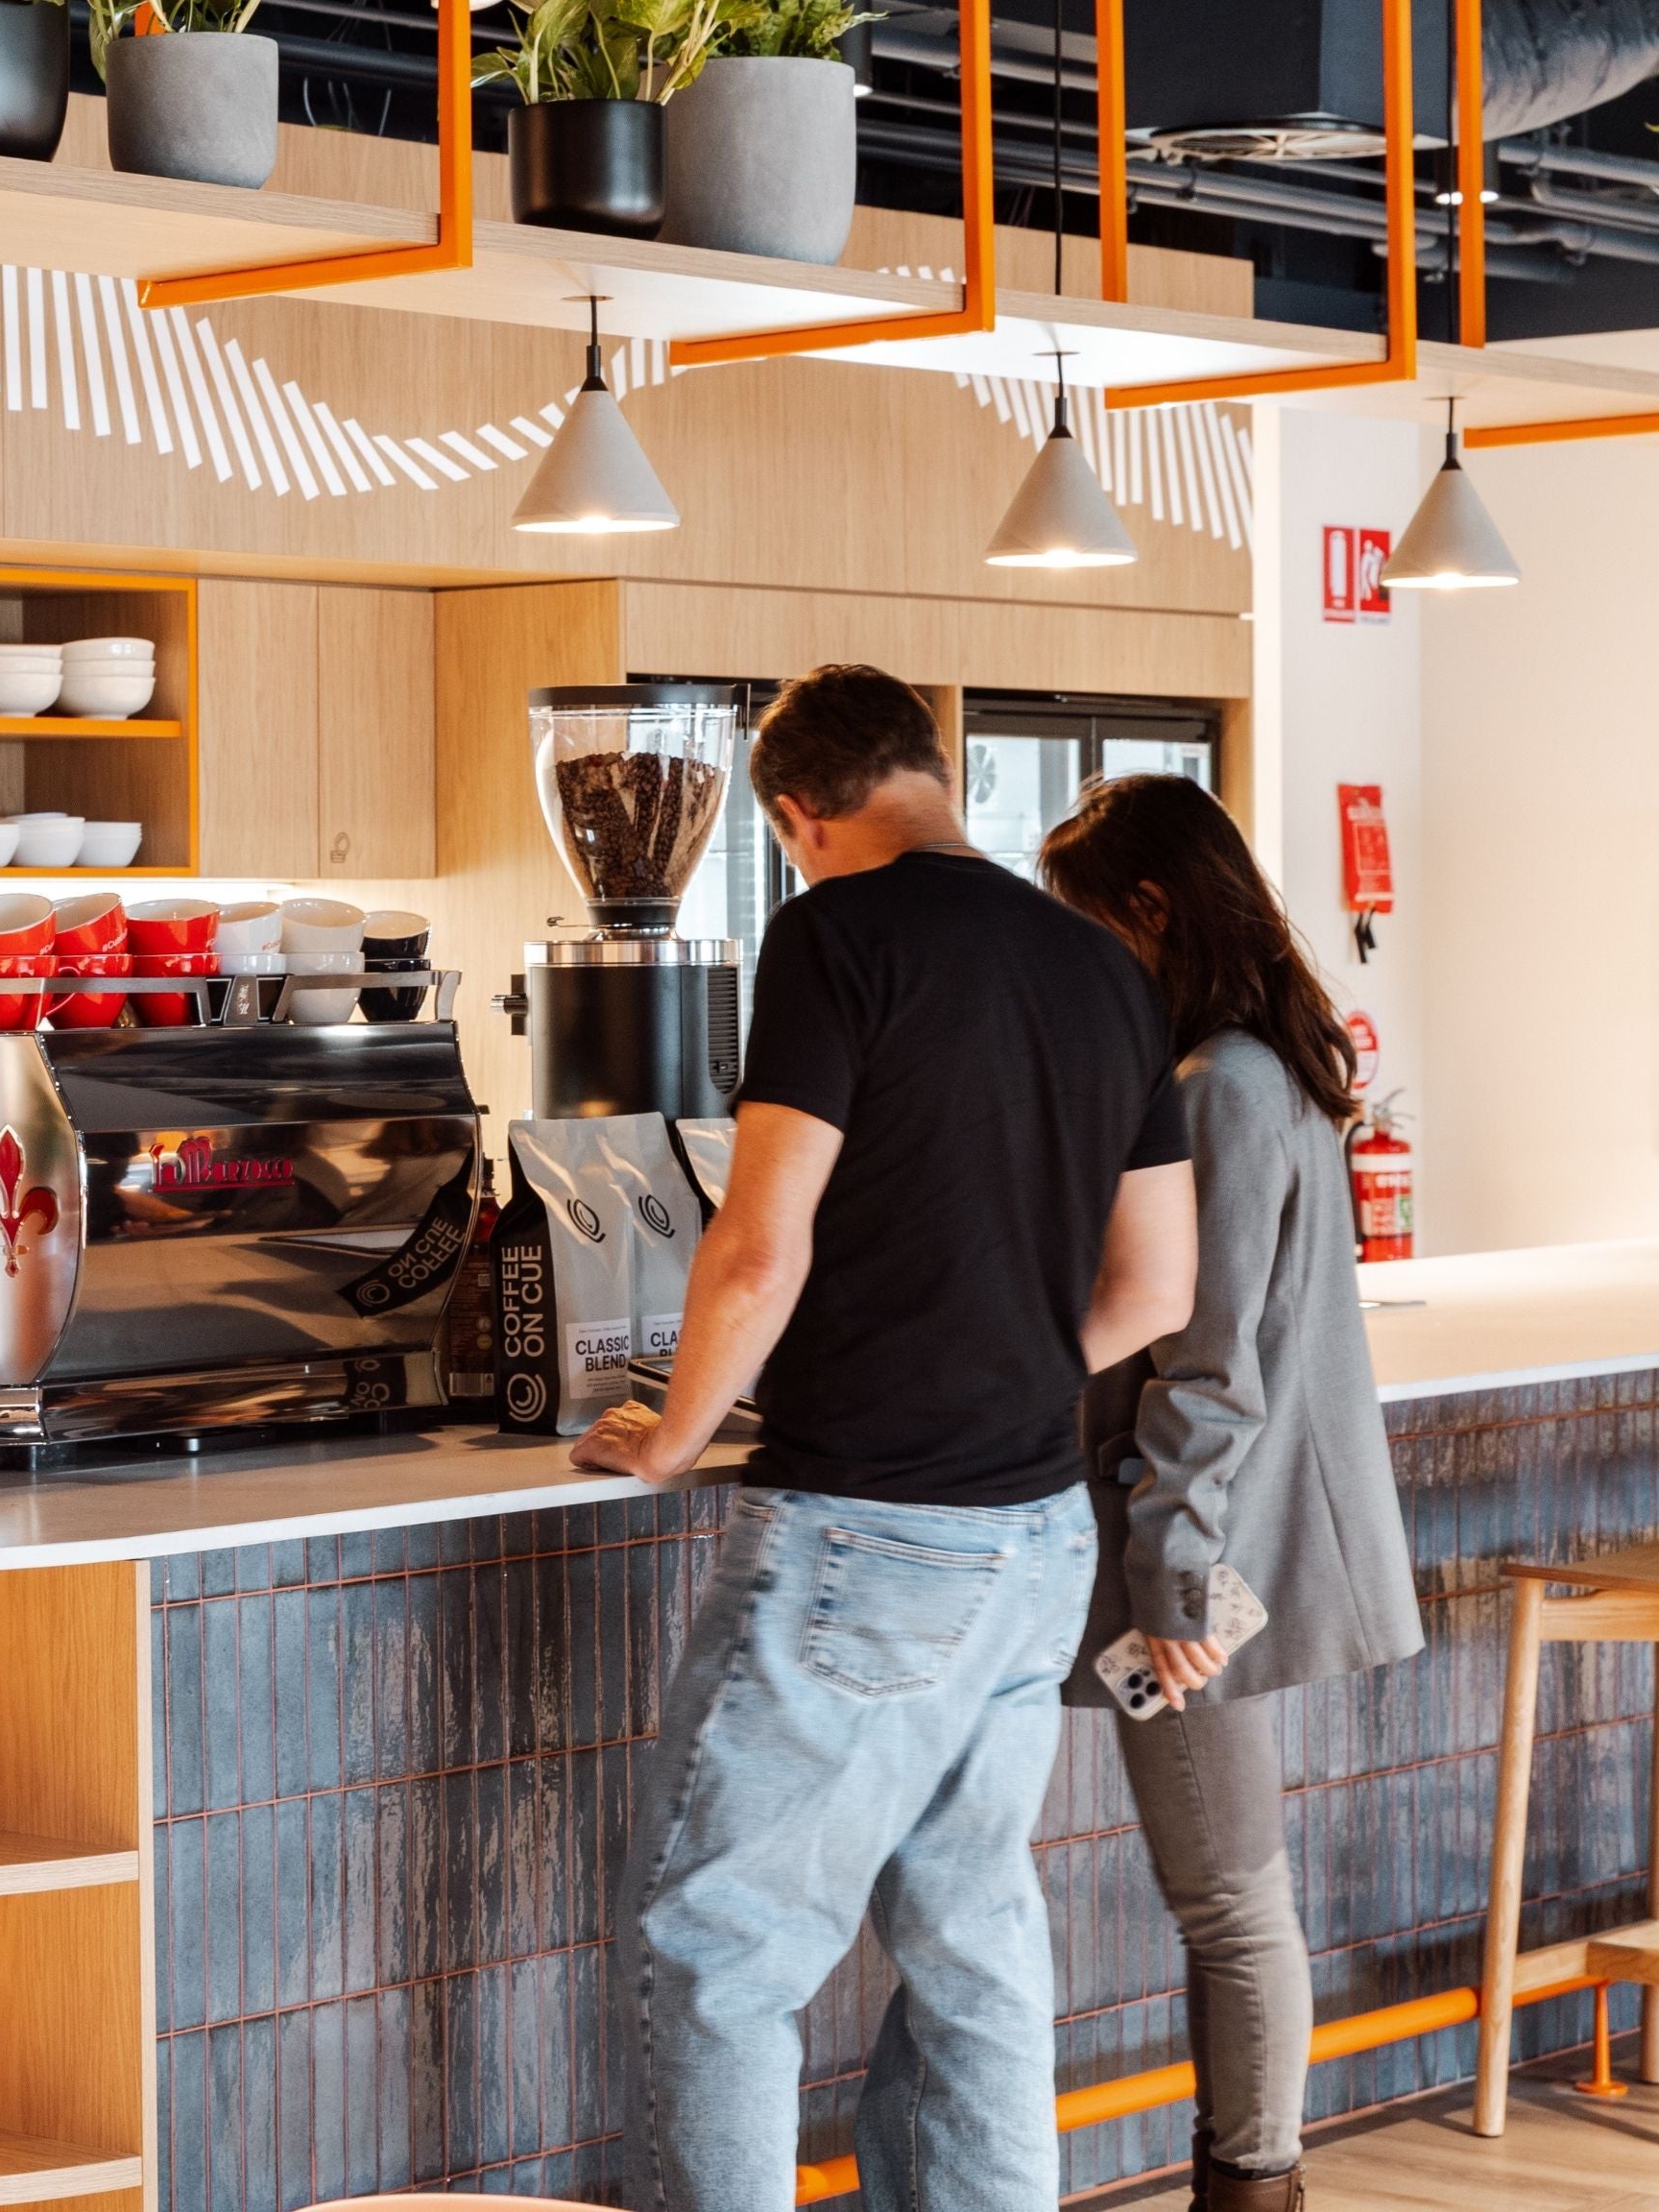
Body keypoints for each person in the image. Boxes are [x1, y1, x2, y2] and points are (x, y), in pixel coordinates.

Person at [571, 664, 1201, 2210]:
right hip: (1038, 1534)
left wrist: (672, 1437)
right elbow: (1160, 1284)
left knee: (716, 1952)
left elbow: (756, 1245)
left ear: (799, 816)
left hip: (862, 1535)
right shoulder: (1100, 965)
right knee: (973, 1942)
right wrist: (991, 1368)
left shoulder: (837, 933)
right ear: (933, 769)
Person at [1039, 776, 1423, 2212]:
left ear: (1147, 912)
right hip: (1225, 1547)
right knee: (1235, 1896)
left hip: (1207, 1563)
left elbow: (1210, 1372)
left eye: (1084, 925)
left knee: (1229, 1901)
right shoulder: (1259, 1070)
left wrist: (1171, 1579)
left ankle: (1252, 2191)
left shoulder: (1221, 1089)